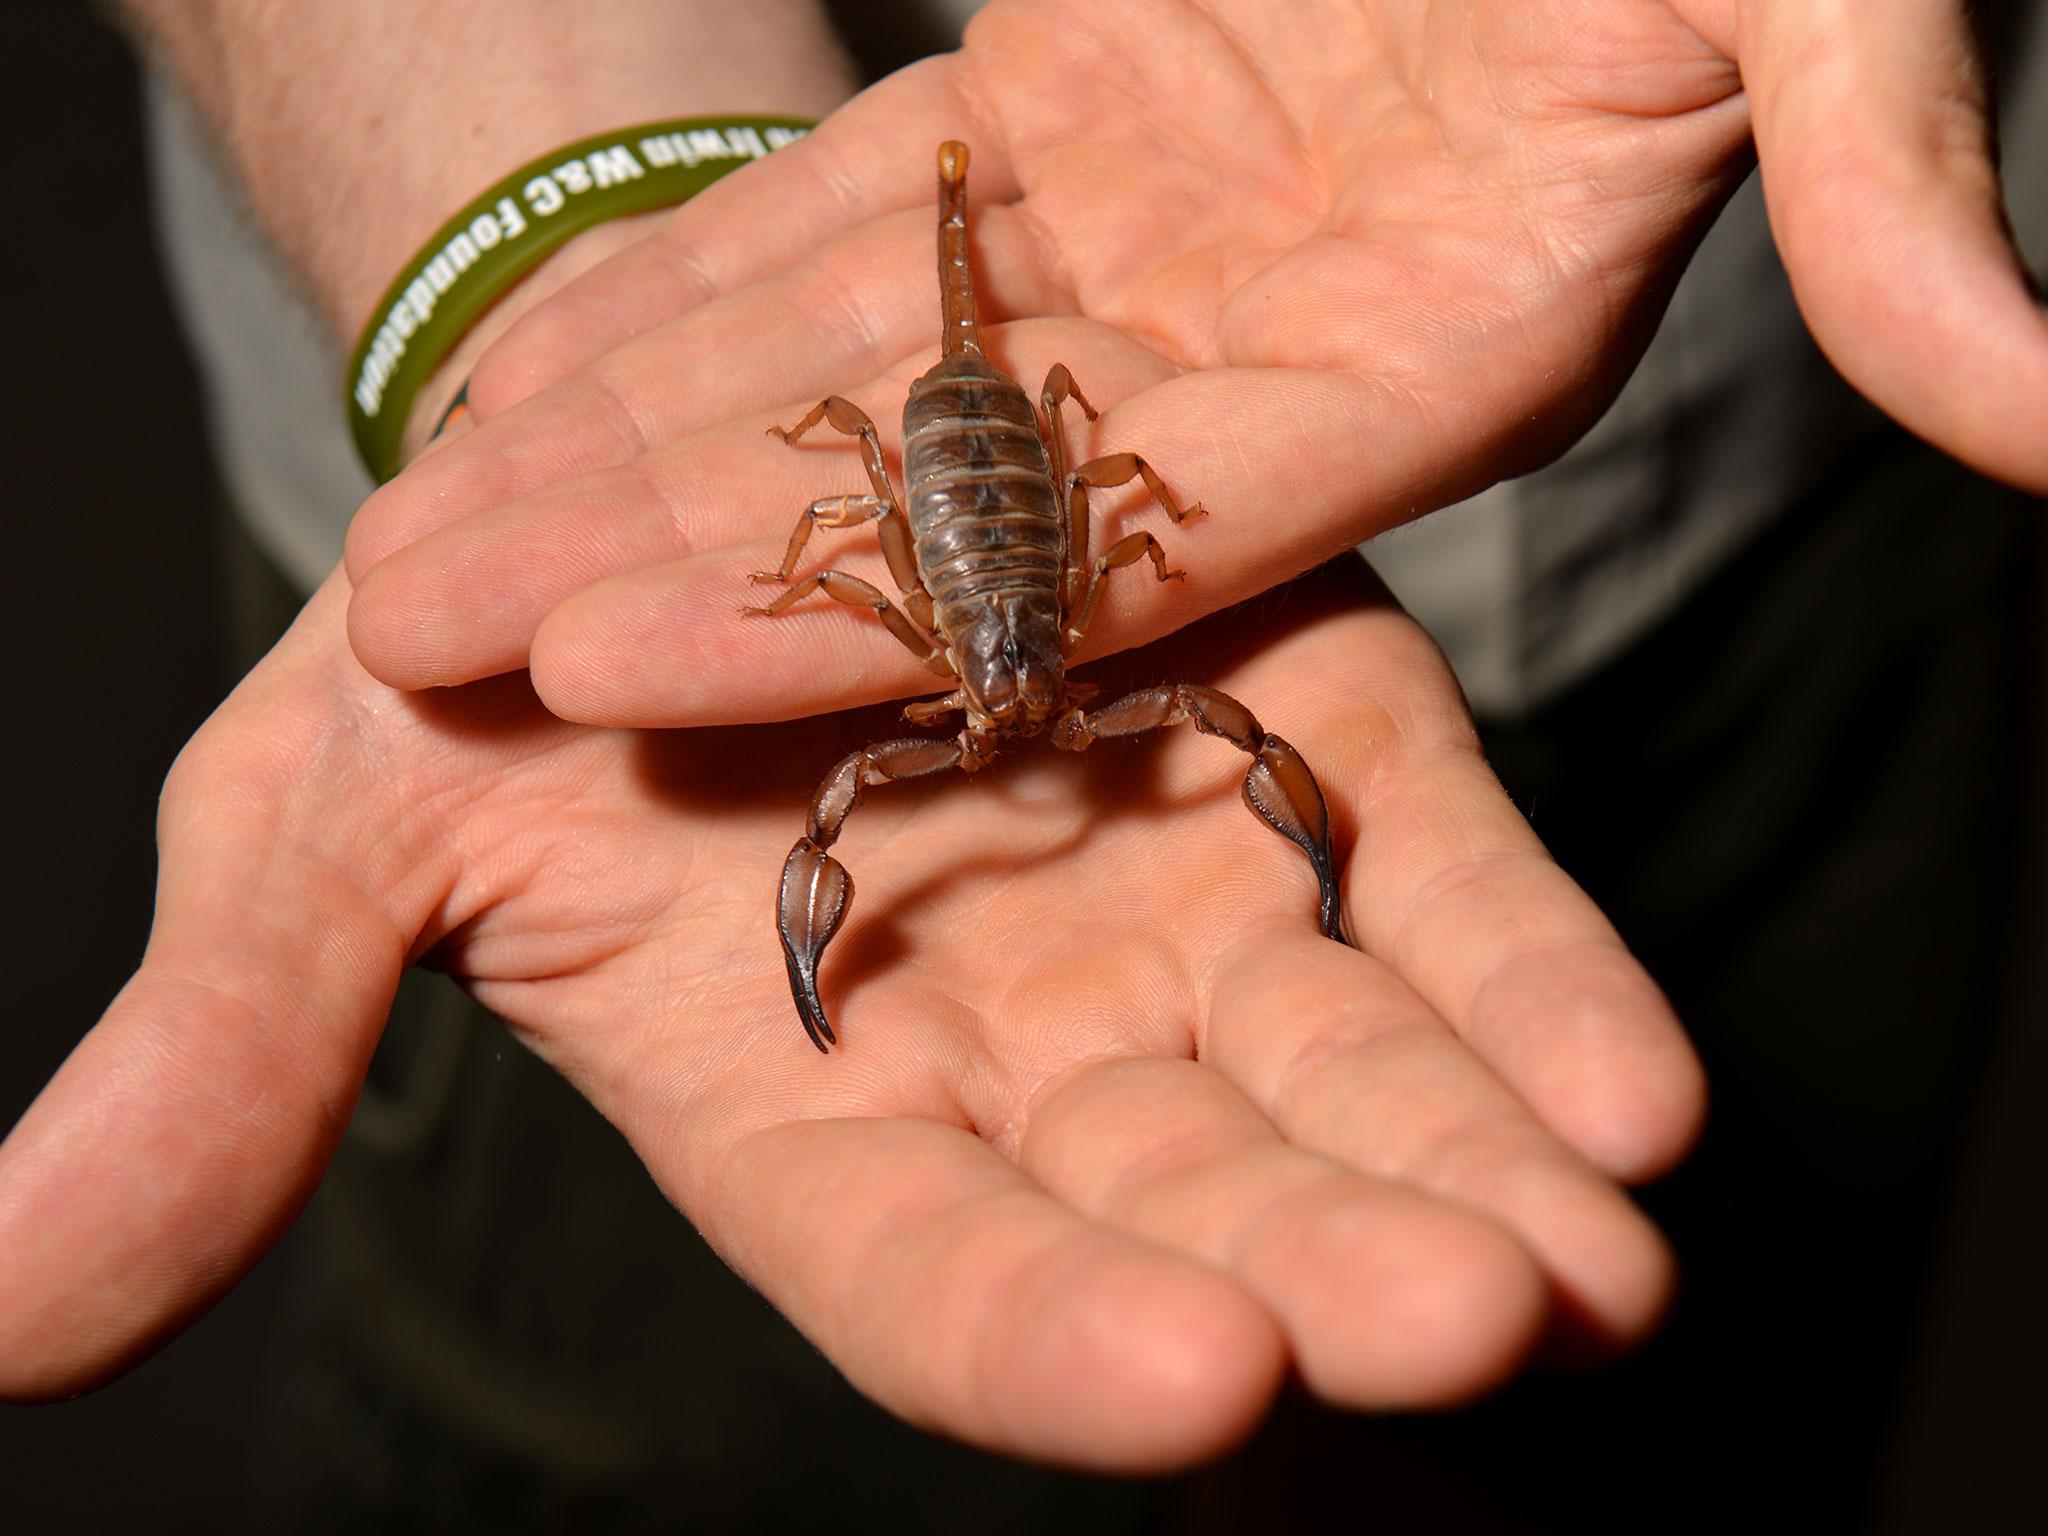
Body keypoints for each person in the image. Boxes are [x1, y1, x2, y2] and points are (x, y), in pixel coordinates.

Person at [4, 0, 2041, 1524]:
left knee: (1702, 1418)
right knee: (624, 1428)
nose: (1000, 735)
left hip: (1787, 503)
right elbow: (851, 675)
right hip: (702, 395)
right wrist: (543, 213)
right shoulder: (921, 638)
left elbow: (1165, 622)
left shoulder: (1075, 640)